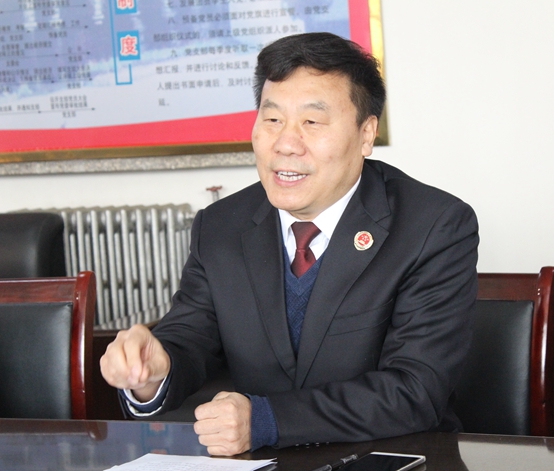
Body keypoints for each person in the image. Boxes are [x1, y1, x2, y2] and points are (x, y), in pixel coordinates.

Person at [100, 32, 479, 457]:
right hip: (263, 463)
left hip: (397, 458)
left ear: (366, 134)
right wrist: (154, 370)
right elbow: (189, 337)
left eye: (312, 122)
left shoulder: (434, 226)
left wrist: (266, 420)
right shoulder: (221, 226)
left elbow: (415, 389)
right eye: (272, 119)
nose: (285, 144)